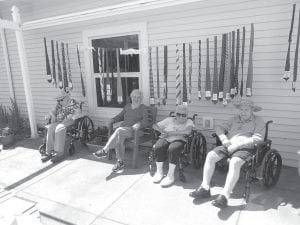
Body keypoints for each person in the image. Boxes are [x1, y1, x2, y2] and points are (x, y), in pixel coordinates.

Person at [189, 99, 265, 208]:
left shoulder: (258, 120)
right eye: (241, 109)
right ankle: (205, 187)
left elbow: (258, 138)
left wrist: (238, 145)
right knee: (210, 155)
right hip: (229, 145)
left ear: (252, 110)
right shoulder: (234, 119)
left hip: (245, 148)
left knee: (234, 162)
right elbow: (219, 128)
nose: (243, 112)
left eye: (246, 110)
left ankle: (224, 195)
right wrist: (224, 139)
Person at [93, 89, 149, 172]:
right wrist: (112, 119)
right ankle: (120, 162)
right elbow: (120, 116)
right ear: (131, 97)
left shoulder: (143, 108)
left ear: (141, 98)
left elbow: (146, 121)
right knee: (119, 137)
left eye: (138, 97)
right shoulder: (127, 106)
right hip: (124, 130)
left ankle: (105, 150)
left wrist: (139, 124)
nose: (136, 99)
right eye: (134, 97)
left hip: (135, 130)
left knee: (118, 131)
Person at [151, 105, 194, 187]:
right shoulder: (169, 120)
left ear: (187, 115)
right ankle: (159, 172)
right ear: (175, 114)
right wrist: (161, 131)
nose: (181, 116)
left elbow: (188, 131)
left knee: (173, 149)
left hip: (179, 139)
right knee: (158, 146)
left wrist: (170, 133)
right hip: (166, 138)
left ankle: (170, 176)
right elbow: (154, 125)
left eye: (183, 115)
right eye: (178, 114)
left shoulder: (189, 121)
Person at [41, 91, 81, 163]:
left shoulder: (74, 103)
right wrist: (50, 115)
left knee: (59, 129)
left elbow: (78, 113)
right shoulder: (59, 104)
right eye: (58, 100)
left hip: (69, 121)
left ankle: (59, 153)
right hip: (59, 120)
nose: (59, 101)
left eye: (60, 100)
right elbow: (53, 111)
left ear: (66, 98)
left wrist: (72, 117)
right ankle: (49, 151)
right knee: (50, 128)